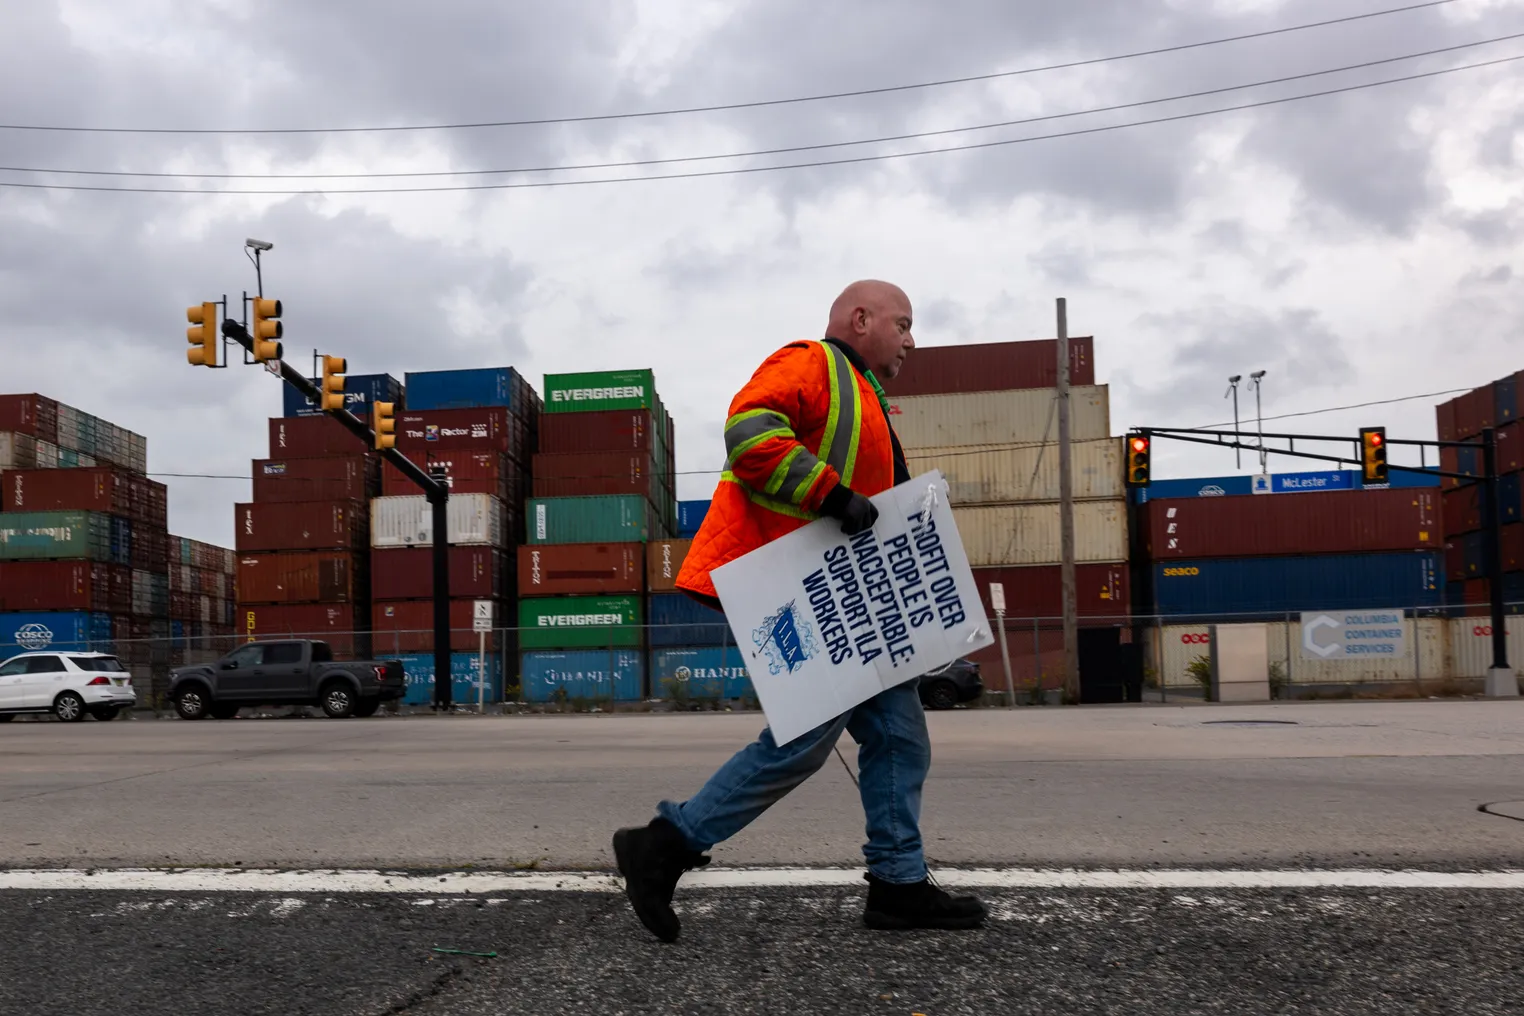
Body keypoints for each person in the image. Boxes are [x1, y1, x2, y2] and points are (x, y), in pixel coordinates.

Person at [612, 280, 988, 942]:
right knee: (802, 746)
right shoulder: (813, 362)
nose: (911, 339)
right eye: (903, 323)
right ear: (860, 318)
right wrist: (832, 495)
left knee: (900, 738)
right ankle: (666, 844)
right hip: (809, 599)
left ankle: (899, 885)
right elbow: (750, 432)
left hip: (849, 602)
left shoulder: (867, 396)